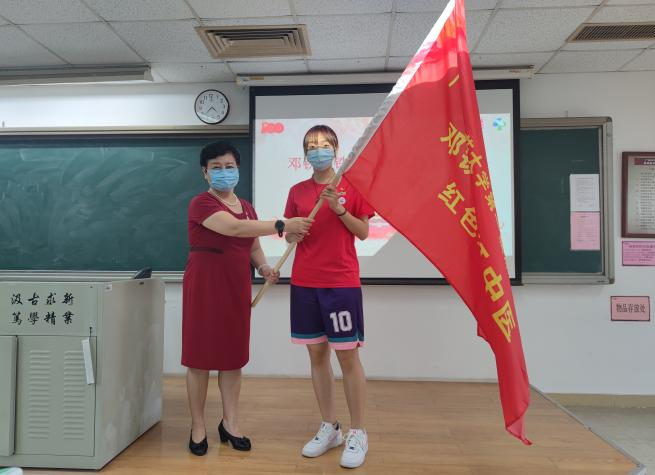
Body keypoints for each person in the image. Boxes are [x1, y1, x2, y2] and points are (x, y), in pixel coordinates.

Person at [182, 141, 313, 456]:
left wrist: (264, 266)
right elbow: (235, 229)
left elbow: (252, 243)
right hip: (205, 285)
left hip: (236, 286)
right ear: (205, 173)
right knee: (199, 359)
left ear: (238, 169)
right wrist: (282, 224)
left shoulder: (247, 207)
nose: (224, 172)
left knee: (232, 358)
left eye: (229, 167)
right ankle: (197, 426)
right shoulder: (201, 203)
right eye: (216, 167)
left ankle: (230, 423)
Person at [284, 125, 374, 469]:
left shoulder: (351, 187)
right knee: (317, 355)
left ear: (336, 149)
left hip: (341, 284)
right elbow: (289, 236)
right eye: (311, 146)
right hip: (305, 283)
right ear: (304, 153)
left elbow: (363, 232)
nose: (317, 150)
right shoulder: (297, 191)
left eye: (323, 145)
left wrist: (338, 209)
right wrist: (292, 231)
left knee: (347, 357)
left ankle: (358, 431)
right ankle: (330, 427)